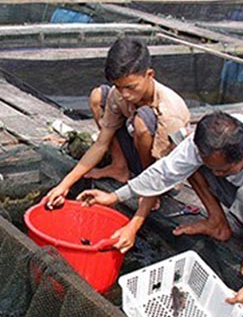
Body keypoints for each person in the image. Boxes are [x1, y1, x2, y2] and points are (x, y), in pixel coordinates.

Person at [77, 112, 243, 309]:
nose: (217, 175)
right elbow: (165, 172)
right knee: (183, 153)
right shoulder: (211, 141)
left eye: (224, 170)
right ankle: (217, 222)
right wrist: (115, 196)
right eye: (214, 169)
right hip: (238, 188)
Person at [45, 36, 190, 223]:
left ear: (150, 75)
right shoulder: (120, 94)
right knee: (98, 96)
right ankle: (119, 166)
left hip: (160, 170)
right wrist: (64, 186)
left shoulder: (170, 110)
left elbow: (166, 168)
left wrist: (146, 198)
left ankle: (145, 186)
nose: (125, 94)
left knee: (142, 122)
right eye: (119, 87)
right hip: (136, 152)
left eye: (131, 87)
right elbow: (100, 144)